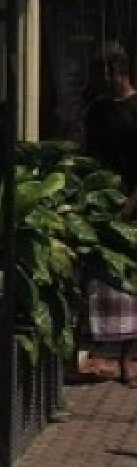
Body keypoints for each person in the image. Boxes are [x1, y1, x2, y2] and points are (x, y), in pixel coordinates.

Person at [82, 41, 137, 384]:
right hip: (102, 201)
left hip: (132, 200)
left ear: (115, 71)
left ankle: (130, 357)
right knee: (102, 279)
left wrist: (129, 206)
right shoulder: (97, 111)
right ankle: (102, 350)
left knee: (132, 279)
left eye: (101, 72)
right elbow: (87, 155)